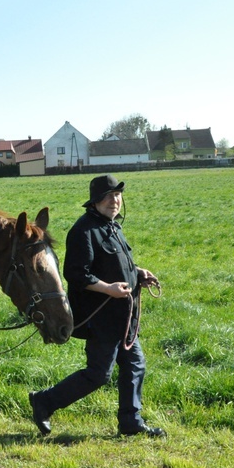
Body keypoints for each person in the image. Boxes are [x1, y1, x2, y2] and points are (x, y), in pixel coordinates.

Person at [28, 174, 165, 437]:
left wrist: (138, 273)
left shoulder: (113, 227)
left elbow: (115, 264)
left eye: (118, 195)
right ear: (95, 201)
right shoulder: (84, 231)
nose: (115, 200)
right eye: (108, 196)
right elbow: (77, 274)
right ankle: (44, 401)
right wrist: (108, 289)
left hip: (124, 317)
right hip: (102, 318)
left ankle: (131, 423)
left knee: (135, 365)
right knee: (99, 374)